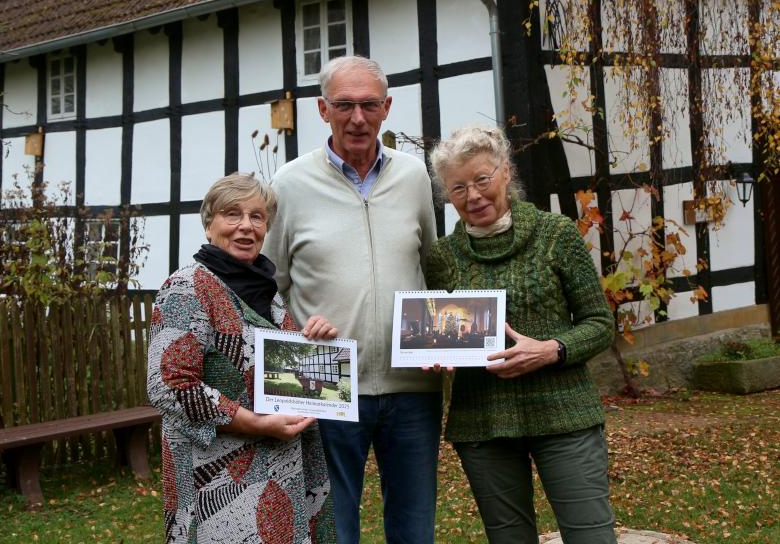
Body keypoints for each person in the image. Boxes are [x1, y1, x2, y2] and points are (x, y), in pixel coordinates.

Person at [262, 56, 440, 543]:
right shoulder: (290, 184)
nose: (357, 118)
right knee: (333, 529)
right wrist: (293, 334)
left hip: (412, 388)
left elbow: (432, 266)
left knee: (414, 528)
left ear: (386, 108)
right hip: (322, 384)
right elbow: (268, 285)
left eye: (368, 105)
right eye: (344, 105)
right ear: (323, 109)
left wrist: (445, 343)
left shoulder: (414, 176)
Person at [425, 124, 618, 544]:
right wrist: (433, 352)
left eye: (482, 179)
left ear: (506, 173)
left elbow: (601, 324)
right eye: (458, 188)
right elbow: (440, 333)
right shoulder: (441, 258)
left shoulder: (557, 235)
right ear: (447, 196)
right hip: (482, 423)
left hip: (564, 416)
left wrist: (552, 349)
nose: (473, 196)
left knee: (591, 537)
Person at [147, 173, 338, 543]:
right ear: (208, 224)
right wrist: (253, 422)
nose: (245, 227)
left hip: (280, 472)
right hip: (217, 482)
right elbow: (169, 386)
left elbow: (264, 367)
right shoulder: (187, 288)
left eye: (257, 216)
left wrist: (313, 345)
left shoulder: (266, 290)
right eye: (231, 214)